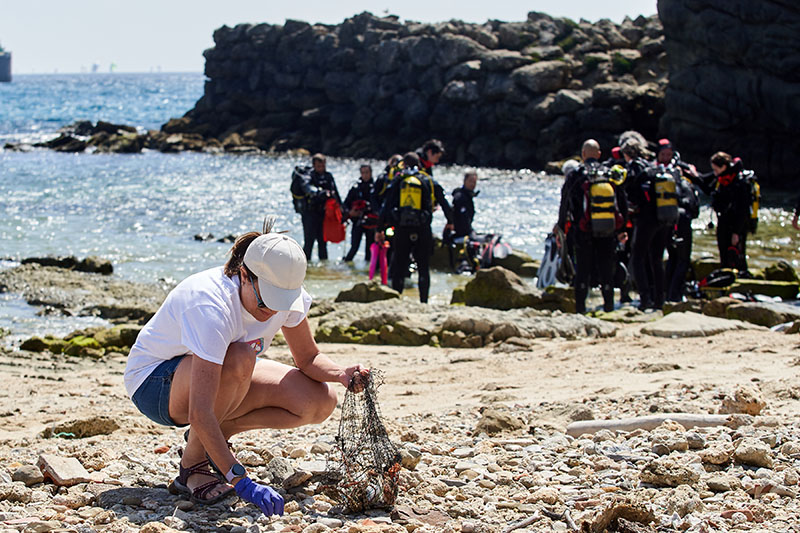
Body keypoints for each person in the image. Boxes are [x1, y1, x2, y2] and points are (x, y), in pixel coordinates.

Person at [124, 220, 366, 514]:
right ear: (244, 275)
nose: (273, 312)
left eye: (281, 303)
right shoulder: (210, 305)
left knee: (319, 401)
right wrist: (240, 480)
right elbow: (199, 411)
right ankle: (193, 464)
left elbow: (307, 358)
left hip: (219, 374)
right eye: (266, 303)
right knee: (240, 358)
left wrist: (340, 373)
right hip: (154, 382)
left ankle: (214, 438)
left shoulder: (285, 293)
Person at [556, 139, 628, 314]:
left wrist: (560, 228)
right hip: (608, 230)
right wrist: (621, 228)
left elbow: (565, 202)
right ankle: (609, 307)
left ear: (582, 155)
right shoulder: (609, 173)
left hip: (582, 231)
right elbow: (622, 202)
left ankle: (580, 309)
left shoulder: (577, 174)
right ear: (599, 154)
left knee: (583, 270)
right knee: (606, 269)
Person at [376, 152, 453, 303]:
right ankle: (423, 301)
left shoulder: (398, 180)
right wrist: (450, 221)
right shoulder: (427, 180)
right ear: (419, 165)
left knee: (399, 265)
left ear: (403, 164)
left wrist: (379, 229)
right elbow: (444, 202)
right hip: (422, 229)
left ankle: (396, 299)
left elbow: (386, 206)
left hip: (402, 229)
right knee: (423, 266)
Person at [622, 137, 670, 311]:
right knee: (657, 259)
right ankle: (659, 300)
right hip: (662, 217)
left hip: (646, 219)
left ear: (626, 153)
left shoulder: (634, 168)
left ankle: (644, 299)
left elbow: (631, 195)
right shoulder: (653, 166)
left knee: (638, 258)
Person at [693, 152, 754, 272]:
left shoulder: (739, 182)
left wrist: (736, 232)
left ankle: (741, 280)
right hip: (724, 222)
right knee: (724, 255)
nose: (714, 173)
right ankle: (726, 277)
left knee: (737, 255)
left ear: (724, 167)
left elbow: (743, 210)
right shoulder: (721, 178)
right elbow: (705, 185)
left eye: (716, 170)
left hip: (736, 226)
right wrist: (691, 175)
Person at [657, 139, 700, 302]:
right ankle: (674, 295)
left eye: (668, 154)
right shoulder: (679, 177)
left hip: (668, 221)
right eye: (663, 154)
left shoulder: (659, 174)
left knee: (673, 258)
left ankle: (667, 294)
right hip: (678, 221)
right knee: (681, 260)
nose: (666, 157)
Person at [299, 154, 341, 261]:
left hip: (323, 214)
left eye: (323, 166)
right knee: (309, 241)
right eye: (319, 166)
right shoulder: (308, 176)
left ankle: (323, 270)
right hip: (309, 213)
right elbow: (307, 187)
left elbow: (336, 194)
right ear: (314, 165)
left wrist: (343, 210)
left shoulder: (328, 176)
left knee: (323, 242)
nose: (321, 168)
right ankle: (304, 267)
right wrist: (319, 192)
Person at [343, 164, 378, 262]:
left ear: (371, 173)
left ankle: (368, 273)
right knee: (354, 247)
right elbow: (345, 204)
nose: (365, 175)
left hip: (371, 223)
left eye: (367, 173)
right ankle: (346, 266)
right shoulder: (355, 188)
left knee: (369, 251)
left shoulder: (376, 188)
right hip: (357, 221)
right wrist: (350, 212)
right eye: (363, 173)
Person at [451, 171, 479, 240]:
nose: (472, 184)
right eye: (470, 181)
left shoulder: (468, 196)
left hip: (468, 231)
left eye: (474, 182)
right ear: (464, 181)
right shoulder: (460, 197)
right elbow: (462, 219)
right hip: (460, 232)